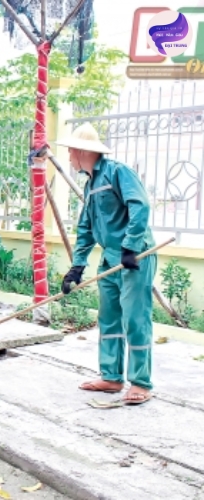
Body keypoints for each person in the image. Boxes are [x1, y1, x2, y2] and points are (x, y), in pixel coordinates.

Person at [57, 123, 156, 405]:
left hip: (134, 257)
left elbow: (141, 206)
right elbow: (86, 229)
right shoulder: (90, 186)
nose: (68, 157)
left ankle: (140, 382)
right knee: (109, 318)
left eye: (69, 152)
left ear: (80, 151)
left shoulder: (117, 172)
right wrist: (77, 267)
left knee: (135, 319)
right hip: (110, 259)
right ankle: (111, 377)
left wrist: (131, 245)